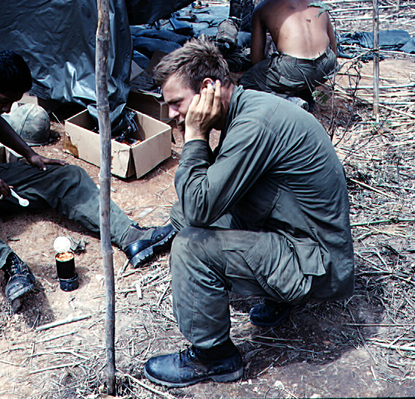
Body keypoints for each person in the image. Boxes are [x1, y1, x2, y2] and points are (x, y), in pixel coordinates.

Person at [142, 37, 353, 387]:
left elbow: (200, 208)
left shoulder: (254, 125)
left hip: (319, 264)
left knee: (191, 246)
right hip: (300, 238)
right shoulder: (247, 108)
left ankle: (215, 357)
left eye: (177, 103)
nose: (173, 115)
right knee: (181, 215)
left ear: (208, 88)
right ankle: (278, 293)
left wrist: (195, 135)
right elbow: (201, 198)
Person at [0, 50, 175, 311]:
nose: (8, 108)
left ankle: (131, 236)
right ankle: (11, 268)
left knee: (67, 174)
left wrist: (29, 154)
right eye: (3, 101)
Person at [238, 0, 338, 107]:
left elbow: (256, 60)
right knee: (301, 70)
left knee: (248, 81)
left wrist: (267, 45)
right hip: (327, 66)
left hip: (293, 69)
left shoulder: (263, 8)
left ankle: (291, 101)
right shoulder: (316, 3)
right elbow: (334, 51)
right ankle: (305, 91)